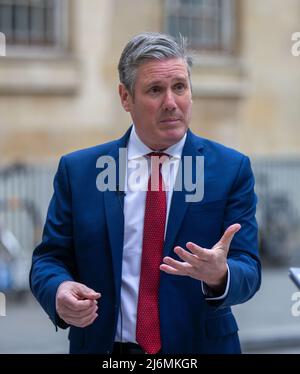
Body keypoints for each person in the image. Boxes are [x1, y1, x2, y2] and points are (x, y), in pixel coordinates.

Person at [30, 32, 261, 354]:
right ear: (126, 97)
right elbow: (49, 258)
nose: (171, 102)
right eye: (155, 90)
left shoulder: (230, 169)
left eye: (179, 87)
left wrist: (220, 274)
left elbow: (248, 268)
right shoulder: (80, 171)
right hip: (106, 349)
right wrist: (58, 290)